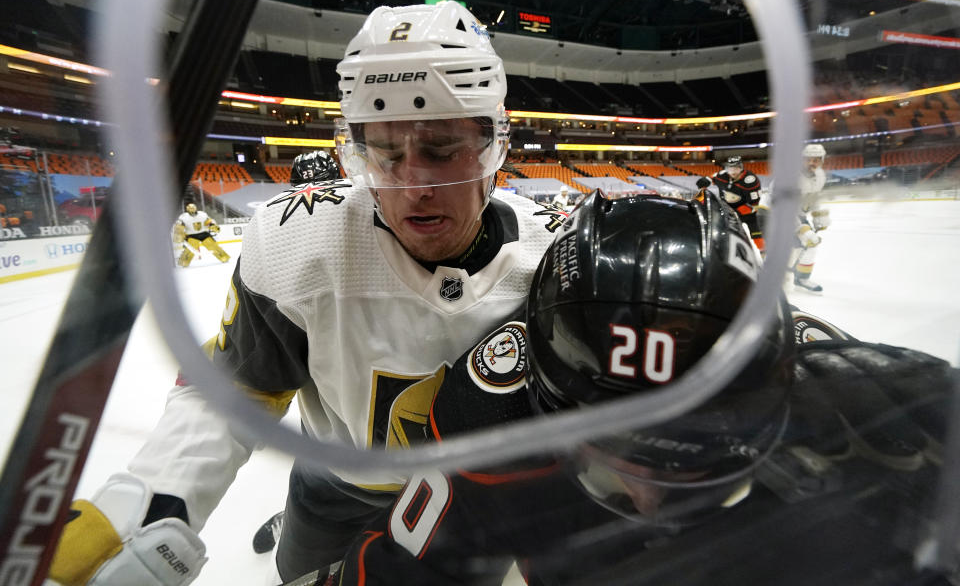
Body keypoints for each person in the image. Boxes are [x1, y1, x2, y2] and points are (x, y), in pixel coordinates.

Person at [49, 1, 567, 585]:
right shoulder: (294, 242)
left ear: (493, 144)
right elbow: (236, 388)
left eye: (443, 150)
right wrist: (155, 498)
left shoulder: (555, 257)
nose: (414, 185)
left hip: (475, 498)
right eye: (386, 154)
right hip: (335, 490)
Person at [330, 191, 953, 586]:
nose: (653, 500)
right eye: (616, 459)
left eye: (701, 460)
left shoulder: (887, 402)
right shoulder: (878, 400)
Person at [697, 156, 764, 254]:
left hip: (746, 210)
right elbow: (712, 177)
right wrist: (706, 180)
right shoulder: (722, 175)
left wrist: (741, 210)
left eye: (736, 168)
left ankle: (763, 252)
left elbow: (754, 203)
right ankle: (724, 250)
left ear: (741, 168)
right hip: (727, 208)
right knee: (723, 230)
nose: (733, 171)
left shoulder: (750, 180)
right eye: (730, 168)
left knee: (755, 232)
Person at [790, 143, 829, 292]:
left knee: (810, 243)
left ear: (822, 160)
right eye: (808, 159)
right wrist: (802, 228)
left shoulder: (820, 176)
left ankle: (802, 278)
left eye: (816, 160)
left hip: (797, 214)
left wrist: (818, 216)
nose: (812, 163)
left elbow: (813, 198)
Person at [172, 202, 230, 267]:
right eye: (190, 208)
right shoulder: (183, 217)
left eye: (193, 208)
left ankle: (224, 257)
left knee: (213, 246)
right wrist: (178, 234)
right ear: (187, 209)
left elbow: (209, 221)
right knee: (190, 249)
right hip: (191, 235)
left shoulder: (202, 214)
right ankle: (183, 262)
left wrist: (213, 225)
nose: (192, 210)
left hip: (204, 233)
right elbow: (179, 226)